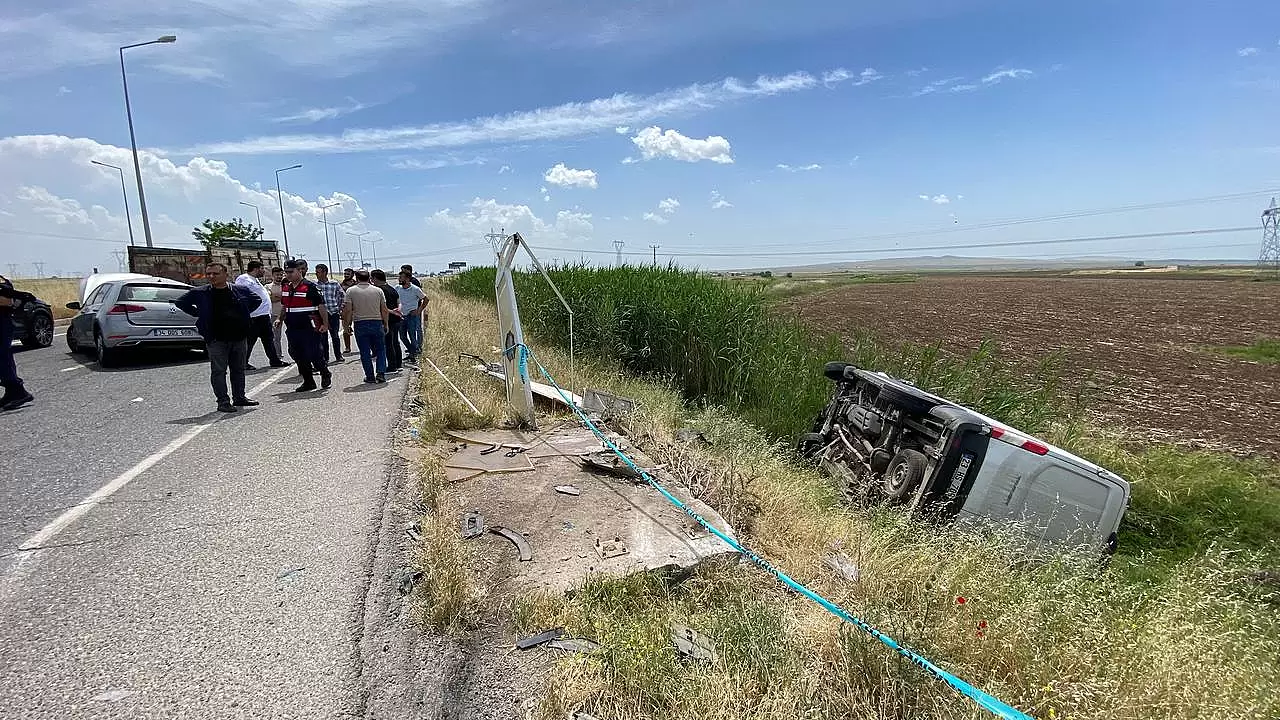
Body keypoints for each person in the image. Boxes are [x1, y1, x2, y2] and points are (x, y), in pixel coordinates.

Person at [173, 263, 262, 413]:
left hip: (238, 337)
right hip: (216, 339)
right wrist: (198, 314)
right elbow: (180, 302)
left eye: (215, 273)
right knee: (219, 371)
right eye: (208, 274)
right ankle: (223, 401)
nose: (211, 277)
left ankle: (239, 397)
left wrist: (243, 314)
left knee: (238, 369)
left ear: (225, 274)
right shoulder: (201, 292)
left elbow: (256, 300)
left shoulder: (239, 290)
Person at [276, 260, 331, 392]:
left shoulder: (310, 286)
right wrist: (279, 319)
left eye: (291, 272)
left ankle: (324, 372)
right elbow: (285, 306)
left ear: (299, 271)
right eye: (286, 272)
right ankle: (308, 381)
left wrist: (325, 323)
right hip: (293, 327)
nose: (288, 275)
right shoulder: (286, 287)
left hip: (309, 327)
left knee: (314, 353)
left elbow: (321, 306)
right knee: (297, 354)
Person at [235, 261, 289, 370]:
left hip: (263, 316)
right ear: (256, 269)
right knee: (250, 341)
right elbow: (241, 297)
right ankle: (243, 363)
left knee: (269, 340)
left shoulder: (254, 280)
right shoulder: (244, 279)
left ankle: (275, 361)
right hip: (254, 317)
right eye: (262, 268)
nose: (264, 271)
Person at [342, 269, 389, 384]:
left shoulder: (351, 291)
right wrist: (386, 323)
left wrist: (347, 325)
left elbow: (348, 310)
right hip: (377, 322)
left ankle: (370, 376)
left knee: (365, 351)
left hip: (360, 323)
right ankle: (381, 373)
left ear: (357, 278)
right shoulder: (378, 291)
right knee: (381, 349)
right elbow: (384, 309)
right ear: (369, 278)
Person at [0, 275, 35, 411]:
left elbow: (8, 300)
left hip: (2, 321)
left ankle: (16, 391)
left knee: (2, 356)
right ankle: (13, 391)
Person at [371, 269, 402, 372]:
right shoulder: (392, 289)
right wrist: (398, 310)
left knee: (388, 344)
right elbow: (399, 302)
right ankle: (398, 364)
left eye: (372, 278)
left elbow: (381, 307)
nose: (372, 281)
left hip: (388, 319)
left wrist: (392, 312)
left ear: (375, 278)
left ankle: (392, 366)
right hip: (397, 319)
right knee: (395, 342)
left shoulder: (379, 291)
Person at [314, 263, 346, 364]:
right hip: (321, 314)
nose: (317, 274)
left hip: (333, 313)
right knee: (323, 336)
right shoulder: (315, 285)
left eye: (318, 272)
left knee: (335, 336)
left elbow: (342, 296)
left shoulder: (334, 284)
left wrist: (340, 308)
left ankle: (338, 356)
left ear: (325, 272)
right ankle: (325, 358)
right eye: (316, 272)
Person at [396, 270, 427, 362]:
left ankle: (413, 354)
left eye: (401, 277)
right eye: (399, 277)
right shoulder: (397, 288)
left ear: (408, 278)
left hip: (411, 316)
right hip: (401, 316)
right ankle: (412, 351)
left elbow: (426, 299)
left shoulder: (415, 289)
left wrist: (419, 310)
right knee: (402, 336)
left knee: (412, 336)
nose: (399, 279)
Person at [262, 266, 286, 358]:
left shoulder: (287, 285)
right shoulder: (267, 287)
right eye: (277, 275)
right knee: (276, 337)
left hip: (287, 313)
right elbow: (270, 298)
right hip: (275, 315)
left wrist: (277, 297)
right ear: (272, 276)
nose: (279, 277)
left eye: (281, 275)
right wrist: (283, 297)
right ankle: (278, 355)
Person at [339, 268, 357, 354]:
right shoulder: (341, 285)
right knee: (345, 329)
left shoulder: (357, 284)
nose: (346, 275)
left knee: (359, 328)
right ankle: (347, 347)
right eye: (345, 273)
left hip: (357, 309)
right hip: (345, 309)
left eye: (348, 274)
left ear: (352, 275)